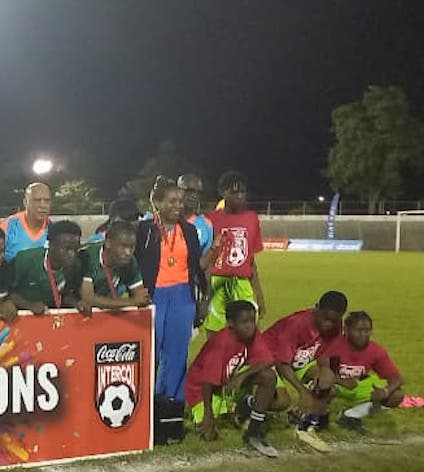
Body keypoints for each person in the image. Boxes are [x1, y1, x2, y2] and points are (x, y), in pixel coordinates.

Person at [185, 300, 289, 457]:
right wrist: (208, 415)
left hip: (227, 383)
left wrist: (243, 376)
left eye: (252, 321)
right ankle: (241, 407)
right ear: (231, 323)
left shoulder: (253, 335)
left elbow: (268, 360)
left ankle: (254, 430)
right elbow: (206, 381)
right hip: (203, 391)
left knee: (268, 376)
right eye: (244, 322)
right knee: (209, 435)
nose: (250, 326)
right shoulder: (220, 342)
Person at [134, 181, 207, 402]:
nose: (179, 206)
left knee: (177, 353)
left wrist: (202, 298)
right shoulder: (144, 230)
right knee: (150, 351)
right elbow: (131, 264)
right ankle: (145, 402)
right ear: (156, 203)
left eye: (180, 201)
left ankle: (171, 403)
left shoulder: (189, 230)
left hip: (183, 296)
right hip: (153, 296)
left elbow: (197, 267)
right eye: (172, 201)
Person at [261, 290, 348, 445]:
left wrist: (325, 375)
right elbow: (282, 363)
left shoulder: (336, 326)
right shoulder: (298, 324)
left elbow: (325, 352)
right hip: (268, 359)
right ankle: (246, 407)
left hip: (298, 359)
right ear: (316, 308)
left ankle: (302, 419)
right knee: (282, 401)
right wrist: (303, 391)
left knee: (327, 384)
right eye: (325, 318)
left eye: (333, 320)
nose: (328, 324)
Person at [315, 311, 405, 433]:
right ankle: (318, 417)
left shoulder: (375, 350)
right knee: (323, 385)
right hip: (335, 384)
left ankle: (350, 416)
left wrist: (385, 391)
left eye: (367, 330)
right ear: (346, 330)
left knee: (397, 395)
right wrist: (341, 381)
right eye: (358, 330)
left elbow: (397, 378)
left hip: (357, 384)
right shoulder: (333, 345)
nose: (363, 335)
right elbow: (321, 369)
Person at [205, 171, 266, 334]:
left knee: (249, 333)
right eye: (234, 192)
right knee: (214, 333)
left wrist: (258, 294)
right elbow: (206, 260)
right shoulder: (210, 220)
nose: (240, 196)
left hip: (243, 283)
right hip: (217, 283)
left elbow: (251, 261)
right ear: (222, 192)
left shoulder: (252, 218)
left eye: (243, 192)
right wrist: (204, 296)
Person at [9, 220, 84, 314]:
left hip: (51, 316)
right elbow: (7, 293)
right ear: (51, 245)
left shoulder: (75, 265)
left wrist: (76, 303)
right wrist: (29, 305)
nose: (72, 254)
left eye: (75, 249)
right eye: (67, 248)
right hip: (23, 317)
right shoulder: (25, 260)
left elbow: (66, 294)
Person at [78, 220, 151, 311]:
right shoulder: (87, 257)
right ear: (108, 243)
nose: (128, 253)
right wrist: (132, 302)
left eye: (132, 247)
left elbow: (140, 296)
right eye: (123, 246)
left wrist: (142, 299)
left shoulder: (130, 262)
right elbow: (89, 299)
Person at [0, 182, 53, 262]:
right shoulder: (8, 226)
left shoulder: (54, 230)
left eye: (47, 201)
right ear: (25, 202)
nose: (43, 205)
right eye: (37, 200)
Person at [178, 173, 214, 255]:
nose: (194, 196)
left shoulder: (206, 224)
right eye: (189, 191)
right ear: (178, 190)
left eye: (198, 193)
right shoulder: (165, 220)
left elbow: (205, 262)